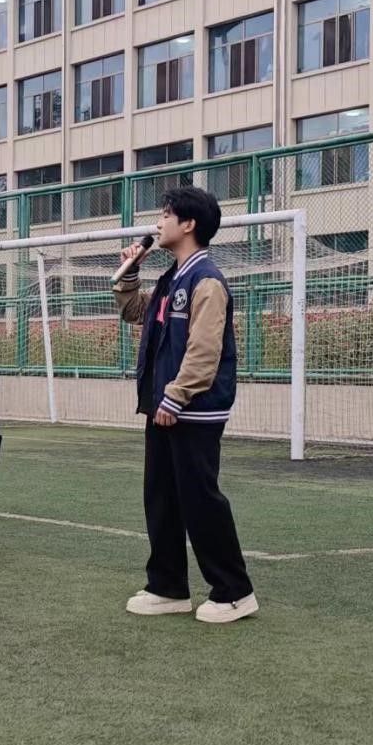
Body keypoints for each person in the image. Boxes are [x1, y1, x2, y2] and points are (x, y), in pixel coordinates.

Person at [112, 186, 257, 625]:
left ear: (189, 224)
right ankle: (167, 586)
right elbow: (135, 311)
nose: (158, 223)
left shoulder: (206, 280)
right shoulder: (170, 278)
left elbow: (204, 349)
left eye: (166, 214)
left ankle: (234, 591)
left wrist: (176, 395)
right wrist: (130, 271)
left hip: (192, 408)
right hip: (162, 407)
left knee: (199, 499)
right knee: (161, 498)